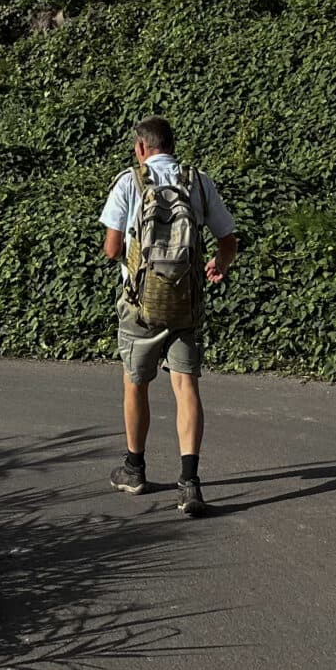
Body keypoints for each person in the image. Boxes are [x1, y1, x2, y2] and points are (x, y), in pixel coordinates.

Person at [99, 116, 237, 516]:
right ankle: (190, 484)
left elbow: (111, 250)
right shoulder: (197, 182)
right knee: (186, 386)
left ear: (141, 148)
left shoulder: (129, 181)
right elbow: (228, 240)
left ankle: (134, 469)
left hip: (140, 304)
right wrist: (219, 263)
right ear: (171, 146)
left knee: (135, 383)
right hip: (185, 303)